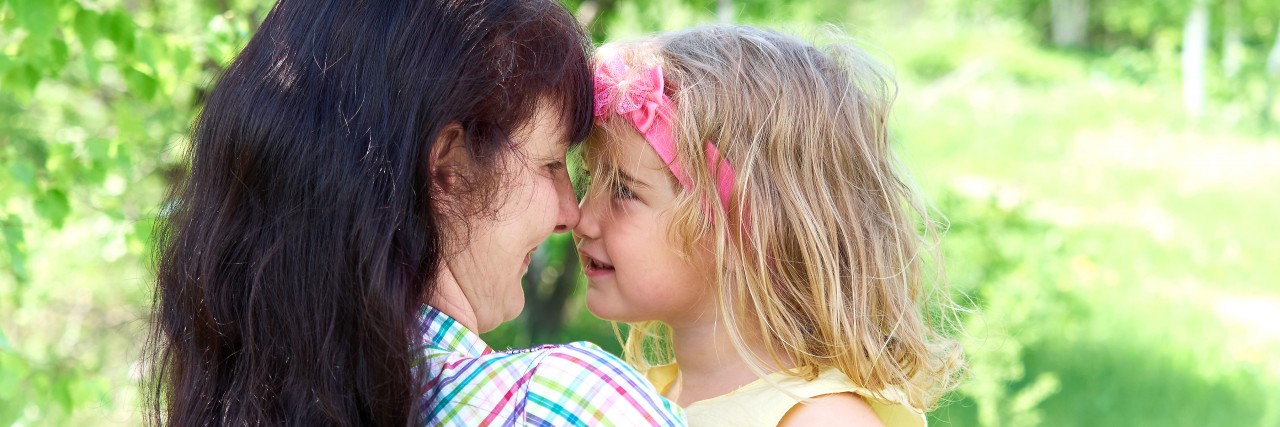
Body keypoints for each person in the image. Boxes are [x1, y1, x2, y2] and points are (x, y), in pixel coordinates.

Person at [145, 0, 684, 425]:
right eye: (549, 165)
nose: (571, 213)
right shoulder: (557, 403)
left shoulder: (232, 400)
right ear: (449, 166)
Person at [574, 25, 964, 426]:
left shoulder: (819, 419)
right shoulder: (643, 398)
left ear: (746, 225)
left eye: (623, 190)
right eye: (587, 180)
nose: (580, 217)